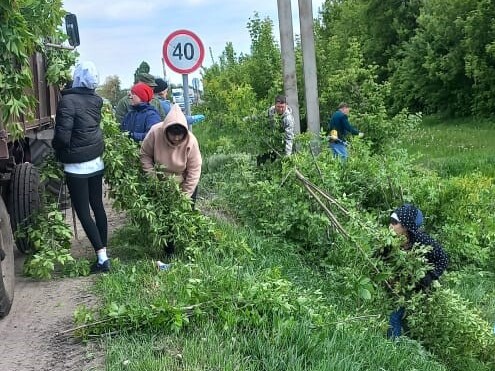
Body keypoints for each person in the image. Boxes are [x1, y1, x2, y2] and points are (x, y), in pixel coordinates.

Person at [52, 61, 110, 273]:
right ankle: (104, 251)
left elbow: (62, 136)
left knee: (83, 211)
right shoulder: (96, 100)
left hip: (76, 166)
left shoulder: (67, 101)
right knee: (98, 206)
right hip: (96, 160)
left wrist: (55, 150)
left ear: (77, 76)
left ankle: (102, 258)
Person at [140, 104, 202, 257]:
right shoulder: (155, 132)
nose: (176, 138)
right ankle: (169, 252)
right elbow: (145, 155)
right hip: (160, 182)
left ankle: (189, 248)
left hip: (183, 181)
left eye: (179, 135)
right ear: (166, 130)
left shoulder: (191, 141)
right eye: (172, 134)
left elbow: (194, 170)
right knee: (165, 218)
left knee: (184, 216)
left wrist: (184, 196)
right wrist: (153, 179)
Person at [386, 204, 448, 339]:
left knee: (398, 315)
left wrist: (431, 276)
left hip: (418, 285)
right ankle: (398, 342)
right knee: (397, 314)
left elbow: (443, 259)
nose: (390, 225)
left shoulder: (421, 239)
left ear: (405, 226)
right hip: (400, 283)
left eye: (395, 222)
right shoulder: (389, 239)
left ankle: (394, 347)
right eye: (390, 221)